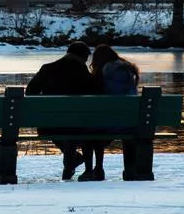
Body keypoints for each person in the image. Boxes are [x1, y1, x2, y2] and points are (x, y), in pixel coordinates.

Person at [25, 41, 100, 180]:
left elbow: (30, 92)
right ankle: (72, 162)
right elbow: (97, 96)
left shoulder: (47, 69)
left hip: (49, 126)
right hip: (81, 125)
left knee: (62, 129)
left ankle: (72, 161)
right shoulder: (85, 74)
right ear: (83, 57)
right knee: (73, 128)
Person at [79, 44, 140, 182]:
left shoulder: (104, 72)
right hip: (131, 122)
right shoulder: (129, 71)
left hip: (110, 123)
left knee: (88, 129)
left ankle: (92, 170)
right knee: (101, 126)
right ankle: (130, 170)